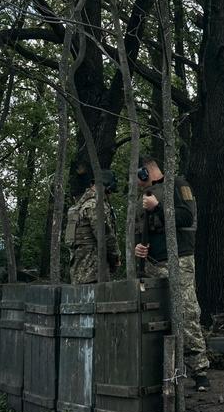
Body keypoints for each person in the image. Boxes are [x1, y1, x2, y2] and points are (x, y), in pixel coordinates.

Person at [133, 156, 210, 392]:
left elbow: (187, 217)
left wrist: (159, 207)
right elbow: (140, 229)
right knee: (154, 316)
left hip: (179, 260)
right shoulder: (143, 198)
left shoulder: (177, 185)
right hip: (152, 262)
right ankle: (163, 371)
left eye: (138, 177)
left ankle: (200, 372)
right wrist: (138, 247)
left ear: (145, 172)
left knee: (186, 313)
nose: (137, 183)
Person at [65, 169, 121, 284]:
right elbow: (105, 237)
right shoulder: (96, 205)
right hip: (94, 270)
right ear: (107, 188)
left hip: (78, 270)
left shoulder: (77, 207)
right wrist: (115, 258)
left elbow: (69, 241)